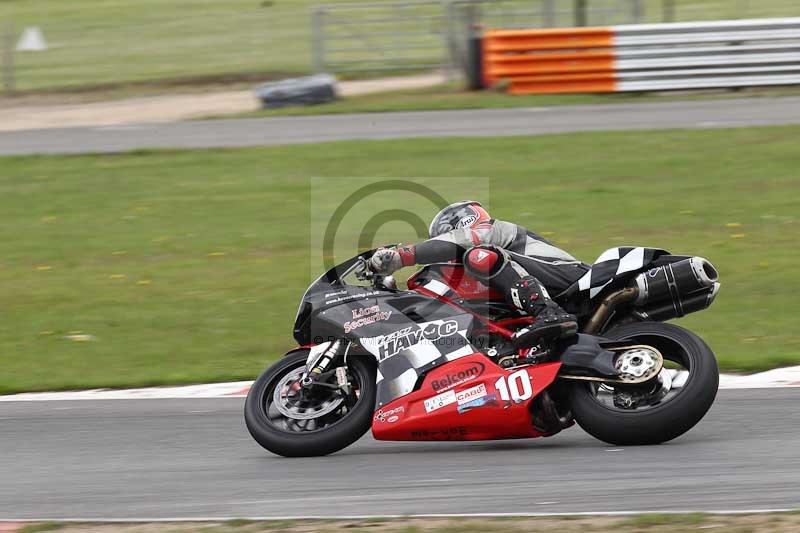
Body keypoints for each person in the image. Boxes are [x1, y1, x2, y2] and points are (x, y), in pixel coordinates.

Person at [369, 201, 589, 347]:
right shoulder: (494, 274)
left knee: (479, 255)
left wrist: (402, 256)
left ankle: (548, 312)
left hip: (573, 278)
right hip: (556, 291)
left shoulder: (492, 229)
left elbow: (463, 241)